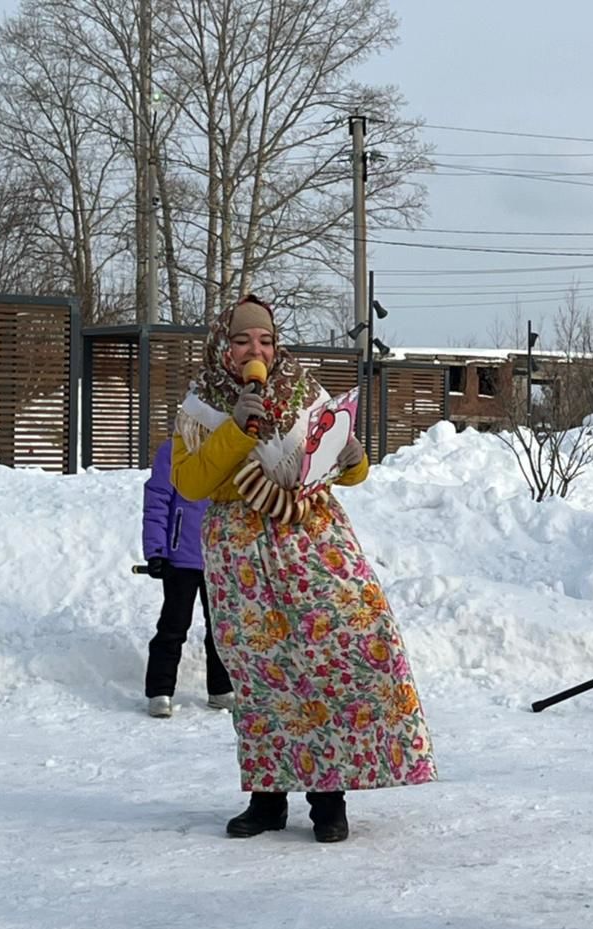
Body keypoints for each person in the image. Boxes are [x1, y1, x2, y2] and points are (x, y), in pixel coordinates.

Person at [170, 294, 435, 843]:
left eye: (264, 340)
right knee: (261, 671)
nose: (255, 350)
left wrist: (353, 455)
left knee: (337, 654)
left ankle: (329, 798)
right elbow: (190, 483)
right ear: (223, 346)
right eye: (242, 340)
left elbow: (343, 473)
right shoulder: (201, 405)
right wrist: (236, 429)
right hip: (241, 550)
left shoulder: (303, 392)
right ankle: (267, 799)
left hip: (311, 540)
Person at [142, 437, 234, 718]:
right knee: (173, 625)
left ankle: (220, 689)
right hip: (180, 557)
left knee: (221, 629)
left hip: (219, 557)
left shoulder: (231, 446)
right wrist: (156, 550)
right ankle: (160, 691)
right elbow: (157, 500)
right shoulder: (175, 449)